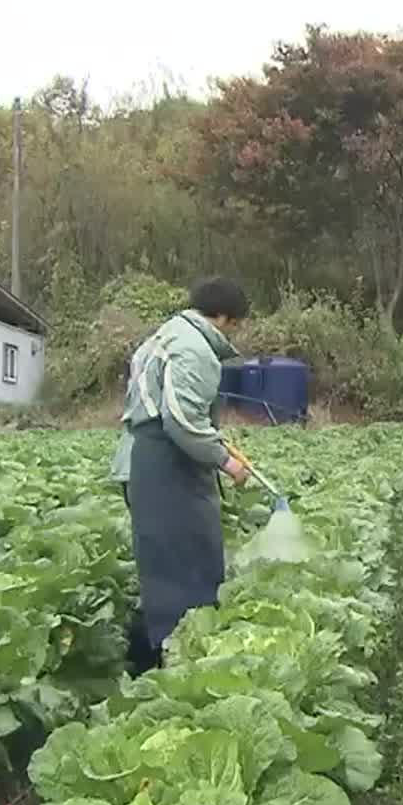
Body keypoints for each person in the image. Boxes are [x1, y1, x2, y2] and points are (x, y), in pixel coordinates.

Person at [110, 277, 253, 675]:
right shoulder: (194, 349)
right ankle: (178, 665)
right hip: (166, 467)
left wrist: (217, 444)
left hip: (144, 460)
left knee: (162, 563)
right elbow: (183, 422)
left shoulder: (164, 336)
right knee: (186, 566)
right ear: (222, 317)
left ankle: (152, 657)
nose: (235, 332)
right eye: (236, 324)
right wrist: (227, 462)